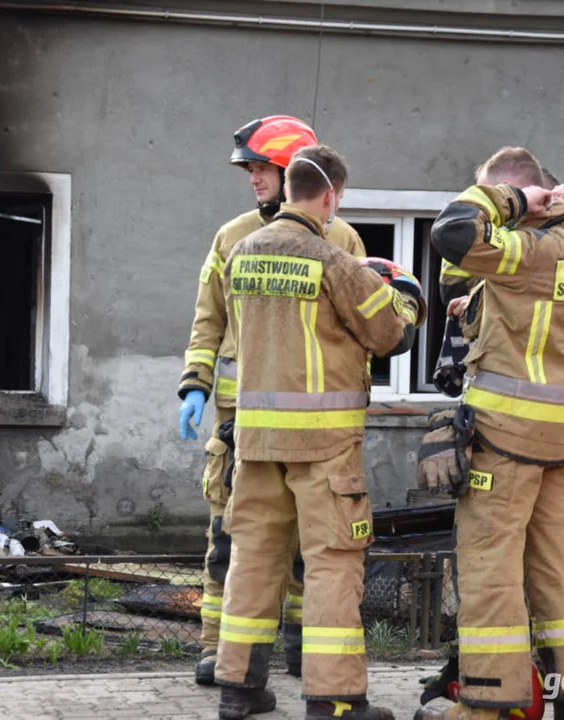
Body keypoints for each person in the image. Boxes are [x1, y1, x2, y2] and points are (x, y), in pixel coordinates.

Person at [214, 144, 423, 720]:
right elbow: (387, 334)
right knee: (332, 563)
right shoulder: (332, 260)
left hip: (255, 443)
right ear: (331, 196)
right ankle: (334, 700)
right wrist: (404, 300)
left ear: (287, 189)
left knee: (253, 560)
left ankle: (240, 689)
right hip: (324, 447)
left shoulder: (242, 253)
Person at [416, 147, 564, 720]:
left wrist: (506, 199)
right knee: (561, 570)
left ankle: (488, 704)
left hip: (506, 443)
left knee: (490, 566)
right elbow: (541, 310)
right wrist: (477, 306)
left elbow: (453, 231)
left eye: (501, 197)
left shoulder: (526, 249)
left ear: (518, 193)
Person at [178, 115, 367, 686]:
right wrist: (195, 384)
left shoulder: (341, 238)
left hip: (316, 423)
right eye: (251, 169)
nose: (253, 179)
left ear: (290, 172)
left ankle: (299, 653)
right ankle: (220, 652)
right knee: (231, 541)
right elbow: (208, 316)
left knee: (309, 552)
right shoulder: (231, 235)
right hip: (240, 421)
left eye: (261, 168)